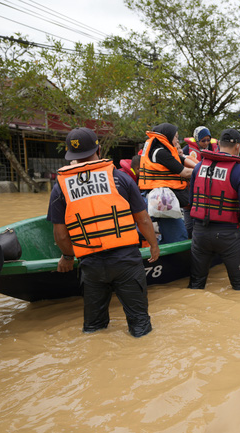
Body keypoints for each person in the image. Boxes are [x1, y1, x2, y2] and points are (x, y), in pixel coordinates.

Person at [47, 127, 160, 337]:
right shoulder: (121, 179)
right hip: (126, 261)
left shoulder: (60, 188)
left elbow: (61, 235)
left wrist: (67, 256)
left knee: (94, 328)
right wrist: (153, 245)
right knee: (140, 326)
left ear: (71, 156)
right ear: (98, 149)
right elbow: (143, 219)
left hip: (91, 266)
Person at [188, 128, 240, 291]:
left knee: (196, 285)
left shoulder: (199, 167)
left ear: (218, 144)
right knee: (239, 286)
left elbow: (191, 201)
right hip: (228, 234)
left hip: (200, 232)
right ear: (237, 147)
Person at [138, 123, 194, 244]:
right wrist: (203, 172)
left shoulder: (163, 150)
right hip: (161, 198)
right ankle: (171, 260)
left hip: (160, 196)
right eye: (176, 137)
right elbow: (184, 172)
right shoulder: (160, 153)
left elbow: (182, 159)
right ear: (167, 136)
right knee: (178, 235)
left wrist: (200, 165)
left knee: (169, 233)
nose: (177, 140)